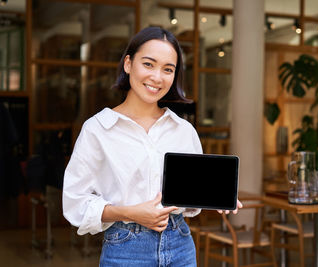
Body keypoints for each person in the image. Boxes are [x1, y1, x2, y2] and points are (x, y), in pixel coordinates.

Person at [62, 26, 242, 267]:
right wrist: (130, 213)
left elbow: (187, 198)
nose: (157, 77)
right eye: (148, 64)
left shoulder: (183, 130)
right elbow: (75, 203)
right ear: (128, 64)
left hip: (180, 245)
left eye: (168, 69)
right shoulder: (98, 129)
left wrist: (214, 196)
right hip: (125, 248)